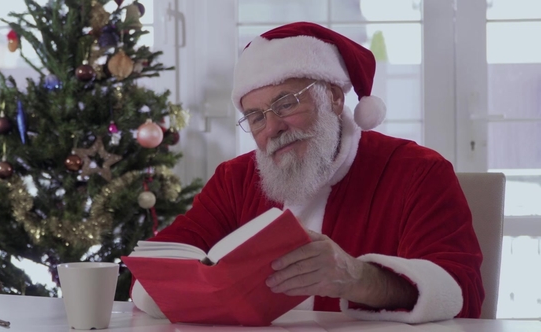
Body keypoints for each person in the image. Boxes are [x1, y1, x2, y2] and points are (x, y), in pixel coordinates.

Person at [129, 22, 484, 324]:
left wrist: (359, 278)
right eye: (256, 117)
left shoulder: (418, 171)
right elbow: (153, 270)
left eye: (285, 103)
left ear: (333, 97)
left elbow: (463, 293)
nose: (272, 128)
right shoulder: (234, 179)